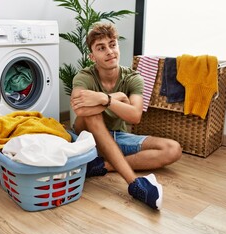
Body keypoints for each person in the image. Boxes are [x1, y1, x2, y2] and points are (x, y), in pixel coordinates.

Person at [70, 22, 182, 210]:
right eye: (101, 48)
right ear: (92, 56)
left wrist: (104, 99)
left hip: (118, 136)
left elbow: (135, 116)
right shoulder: (84, 77)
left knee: (173, 149)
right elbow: (80, 111)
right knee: (92, 115)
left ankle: (104, 165)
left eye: (112, 44)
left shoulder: (133, 78)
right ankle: (135, 184)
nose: (109, 51)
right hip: (87, 137)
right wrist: (119, 98)